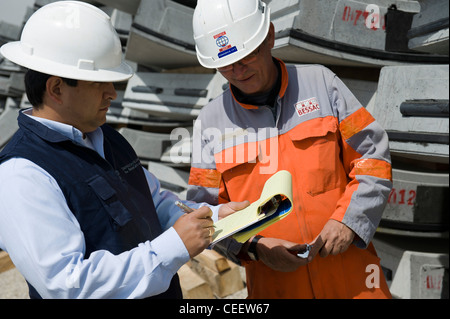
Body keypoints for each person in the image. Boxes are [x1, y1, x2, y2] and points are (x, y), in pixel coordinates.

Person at [0, 1, 248, 299]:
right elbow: (68, 285)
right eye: (99, 83)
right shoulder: (22, 174)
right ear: (56, 89)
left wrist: (215, 216)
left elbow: (153, 203)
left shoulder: (106, 138)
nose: (113, 94)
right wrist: (172, 248)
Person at [187, 0, 393, 298]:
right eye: (225, 63)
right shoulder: (210, 123)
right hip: (276, 286)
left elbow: (371, 158)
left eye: (247, 55)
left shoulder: (321, 84)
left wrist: (349, 221)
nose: (237, 70)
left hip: (355, 280)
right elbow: (205, 214)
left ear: (269, 36)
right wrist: (255, 248)